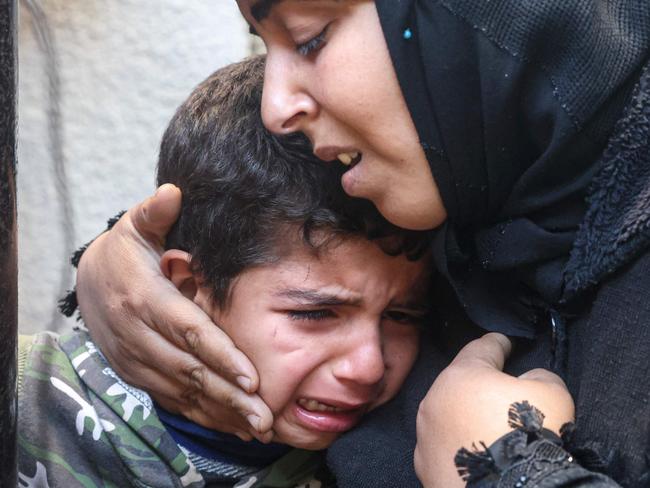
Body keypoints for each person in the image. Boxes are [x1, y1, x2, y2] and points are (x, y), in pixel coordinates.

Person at [72, 1, 650, 486]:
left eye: (310, 38)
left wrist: (510, 470)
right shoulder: (462, 218)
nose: (277, 109)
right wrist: (119, 269)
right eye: (263, 44)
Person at [18, 56, 434, 487]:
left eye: (403, 316)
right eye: (315, 313)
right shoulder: (23, 409)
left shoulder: (390, 451)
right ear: (187, 286)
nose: (367, 367)